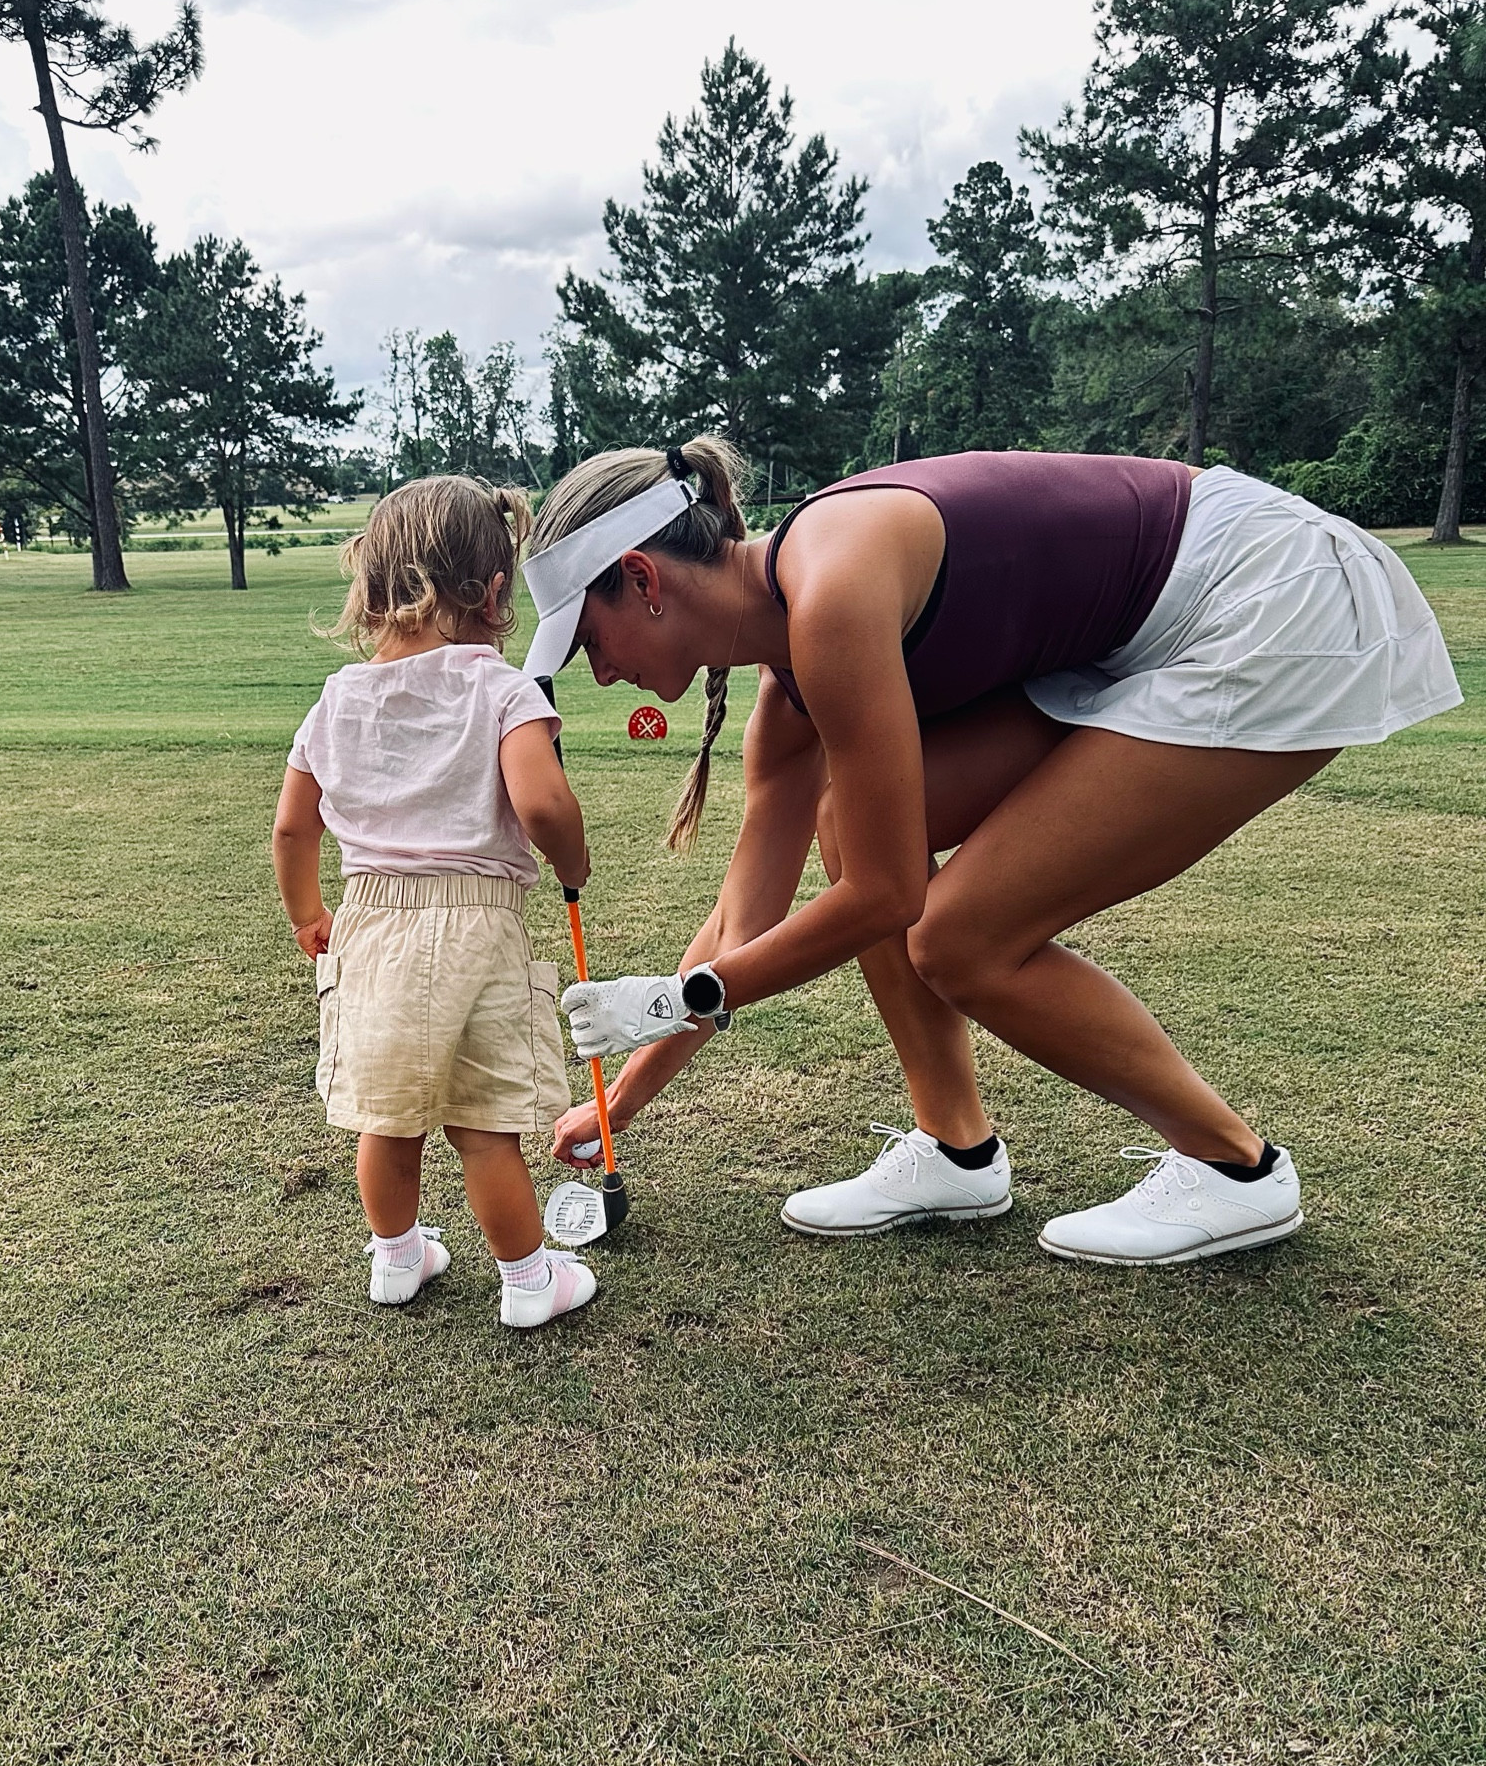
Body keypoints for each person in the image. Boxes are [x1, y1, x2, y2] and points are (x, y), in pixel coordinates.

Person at [522, 439, 1462, 1266]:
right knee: (849, 825)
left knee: (960, 938)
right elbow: (744, 916)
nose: (599, 672)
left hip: (1267, 600)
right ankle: (957, 1152)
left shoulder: (833, 594)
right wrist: (620, 1106)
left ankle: (1235, 1168)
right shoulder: (790, 674)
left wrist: (682, 999)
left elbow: (888, 900)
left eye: (586, 640)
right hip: (1145, 629)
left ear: (643, 580)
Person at [272, 475, 597, 1325]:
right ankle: (528, 1282)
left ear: (372, 585)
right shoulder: (501, 689)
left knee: (387, 1115)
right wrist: (574, 859)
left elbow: (291, 830)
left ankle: (396, 1259)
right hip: (477, 925)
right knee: (483, 1125)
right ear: (494, 592)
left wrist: (309, 913)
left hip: (369, 920)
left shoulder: (336, 699)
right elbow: (544, 805)